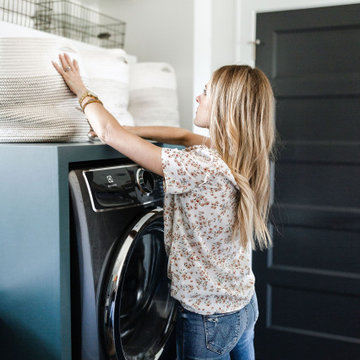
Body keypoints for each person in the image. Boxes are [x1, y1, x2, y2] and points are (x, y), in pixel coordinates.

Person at [52, 54, 275, 360]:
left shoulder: (202, 166)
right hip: (243, 305)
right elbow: (181, 135)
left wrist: (82, 91)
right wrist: (131, 129)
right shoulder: (237, 152)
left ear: (226, 107)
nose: (198, 97)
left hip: (207, 319)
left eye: (206, 92)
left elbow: (108, 133)